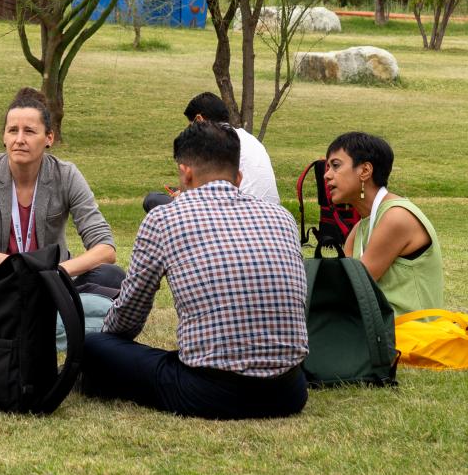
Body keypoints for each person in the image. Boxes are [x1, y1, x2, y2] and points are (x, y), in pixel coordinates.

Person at [79, 122, 309, 419]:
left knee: (93, 346)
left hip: (209, 393)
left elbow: (128, 317)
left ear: (185, 172)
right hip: (289, 391)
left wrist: (105, 347)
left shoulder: (164, 219)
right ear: (238, 177)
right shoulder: (282, 217)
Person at [0, 87, 123, 311]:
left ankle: (43, 317)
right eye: (13, 130)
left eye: (30, 131)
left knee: (113, 276)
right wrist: (2, 261)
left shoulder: (66, 175)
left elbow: (106, 249)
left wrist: (59, 272)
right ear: (4, 137)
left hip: (52, 286)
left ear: (49, 138)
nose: (20, 139)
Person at [323, 131, 443, 315]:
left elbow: (355, 288)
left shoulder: (396, 217)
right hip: (380, 333)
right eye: (327, 167)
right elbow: (340, 283)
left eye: (335, 166)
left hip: (412, 336)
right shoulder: (360, 228)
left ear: (365, 171)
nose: (327, 175)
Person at [143, 91, 282, 213]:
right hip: (268, 210)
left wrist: (182, 195)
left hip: (233, 212)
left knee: (153, 200)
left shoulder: (212, 143)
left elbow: (209, 195)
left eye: (190, 125)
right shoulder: (249, 138)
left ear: (199, 119)